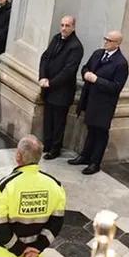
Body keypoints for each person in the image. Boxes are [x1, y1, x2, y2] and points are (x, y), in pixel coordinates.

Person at [70, 30, 129, 175]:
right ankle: (85, 155)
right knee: (91, 129)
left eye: (109, 40)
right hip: (90, 99)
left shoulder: (121, 63)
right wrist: (85, 74)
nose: (106, 42)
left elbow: (116, 87)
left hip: (104, 104)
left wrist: (97, 80)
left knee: (101, 133)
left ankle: (95, 162)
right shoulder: (98, 53)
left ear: (117, 43)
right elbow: (86, 67)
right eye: (105, 39)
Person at [37, 16, 83, 160]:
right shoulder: (57, 38)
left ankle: (55, 148)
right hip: (48, 87)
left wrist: (51, 82)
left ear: (73, 27)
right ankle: (47, 143)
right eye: (62, 25)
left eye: (67, 25)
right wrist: (43, 77)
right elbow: (45, 57)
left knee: (58, 122)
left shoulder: (76, 46)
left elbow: (68, 71)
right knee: (48, 119)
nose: (64, 28)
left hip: (62, 91)